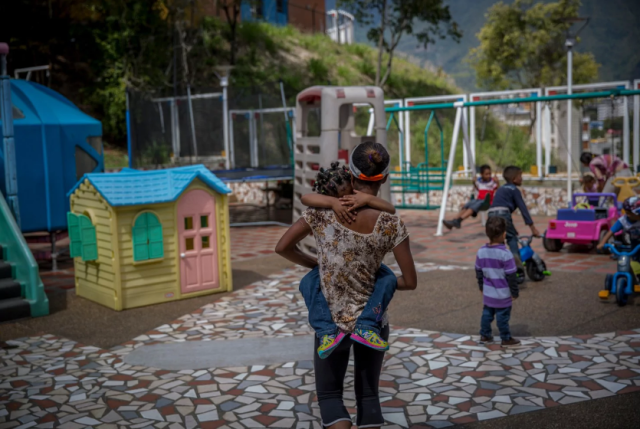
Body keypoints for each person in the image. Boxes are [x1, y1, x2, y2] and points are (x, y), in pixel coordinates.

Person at [275, 141, 417, 429]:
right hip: (372, 322)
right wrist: (384, 281)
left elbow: (282, 247)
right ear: (385, 178)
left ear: (351, 175)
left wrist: (319, 266)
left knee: (329, 395)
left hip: (331, 321)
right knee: (368, 397)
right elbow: (410, 281)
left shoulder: (323, 211)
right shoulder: (391, 224)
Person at [297, 161, 399, 358]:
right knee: (308, 282)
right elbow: (305, 197)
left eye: (349, 194)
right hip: (349, 271)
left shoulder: (355, 201)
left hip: (348, 269)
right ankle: (330, 331)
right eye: (340, 197)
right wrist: (333, 203)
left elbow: (390, 208)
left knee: (386, 277)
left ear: (354, 185)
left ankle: (358, 328)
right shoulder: (327, 208)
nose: (346, 200)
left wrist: (364, 199)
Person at [487, 166, 540, 283]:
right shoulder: (514, 190)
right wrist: (533, 229)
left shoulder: (501, 189)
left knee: (498, 241)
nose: (522, 179)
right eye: (520, 176)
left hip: (491, 215)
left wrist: (513, 228)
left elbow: (502, 213)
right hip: (503, 214)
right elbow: (523, 209)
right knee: (511, 239)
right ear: (515, 179)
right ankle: (517, 268)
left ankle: (496, 267)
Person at [476, 217, 521, 347]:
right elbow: (511, 276)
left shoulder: (481, 252)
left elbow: (478, 272)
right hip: (503, 294)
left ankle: (485, 335)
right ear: (504, 234)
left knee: (486, 315)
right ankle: (506, 338)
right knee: (502, 318)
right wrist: (515, 292)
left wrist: (481, 286)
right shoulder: (506, 255)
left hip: (488, 294)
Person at [443, 164, 500, 230]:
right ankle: (454, 220)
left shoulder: (492, 182)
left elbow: (498, 189)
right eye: (486, 174)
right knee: (468, 205)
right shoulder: (479, 181)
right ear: (481, 174)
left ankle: (459, 220)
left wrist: (497, 182)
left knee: (473, 206)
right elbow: (477, 188)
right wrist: (474, 182)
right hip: (478, 200)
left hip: (486, 202)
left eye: (490, 174)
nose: (489, 175)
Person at [597, 196, 640, 280]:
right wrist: (602, 243)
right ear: (629, 213)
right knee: (635, 262)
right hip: (635, 244)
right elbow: (611, 231)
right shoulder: (623, 221)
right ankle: (636, 278)